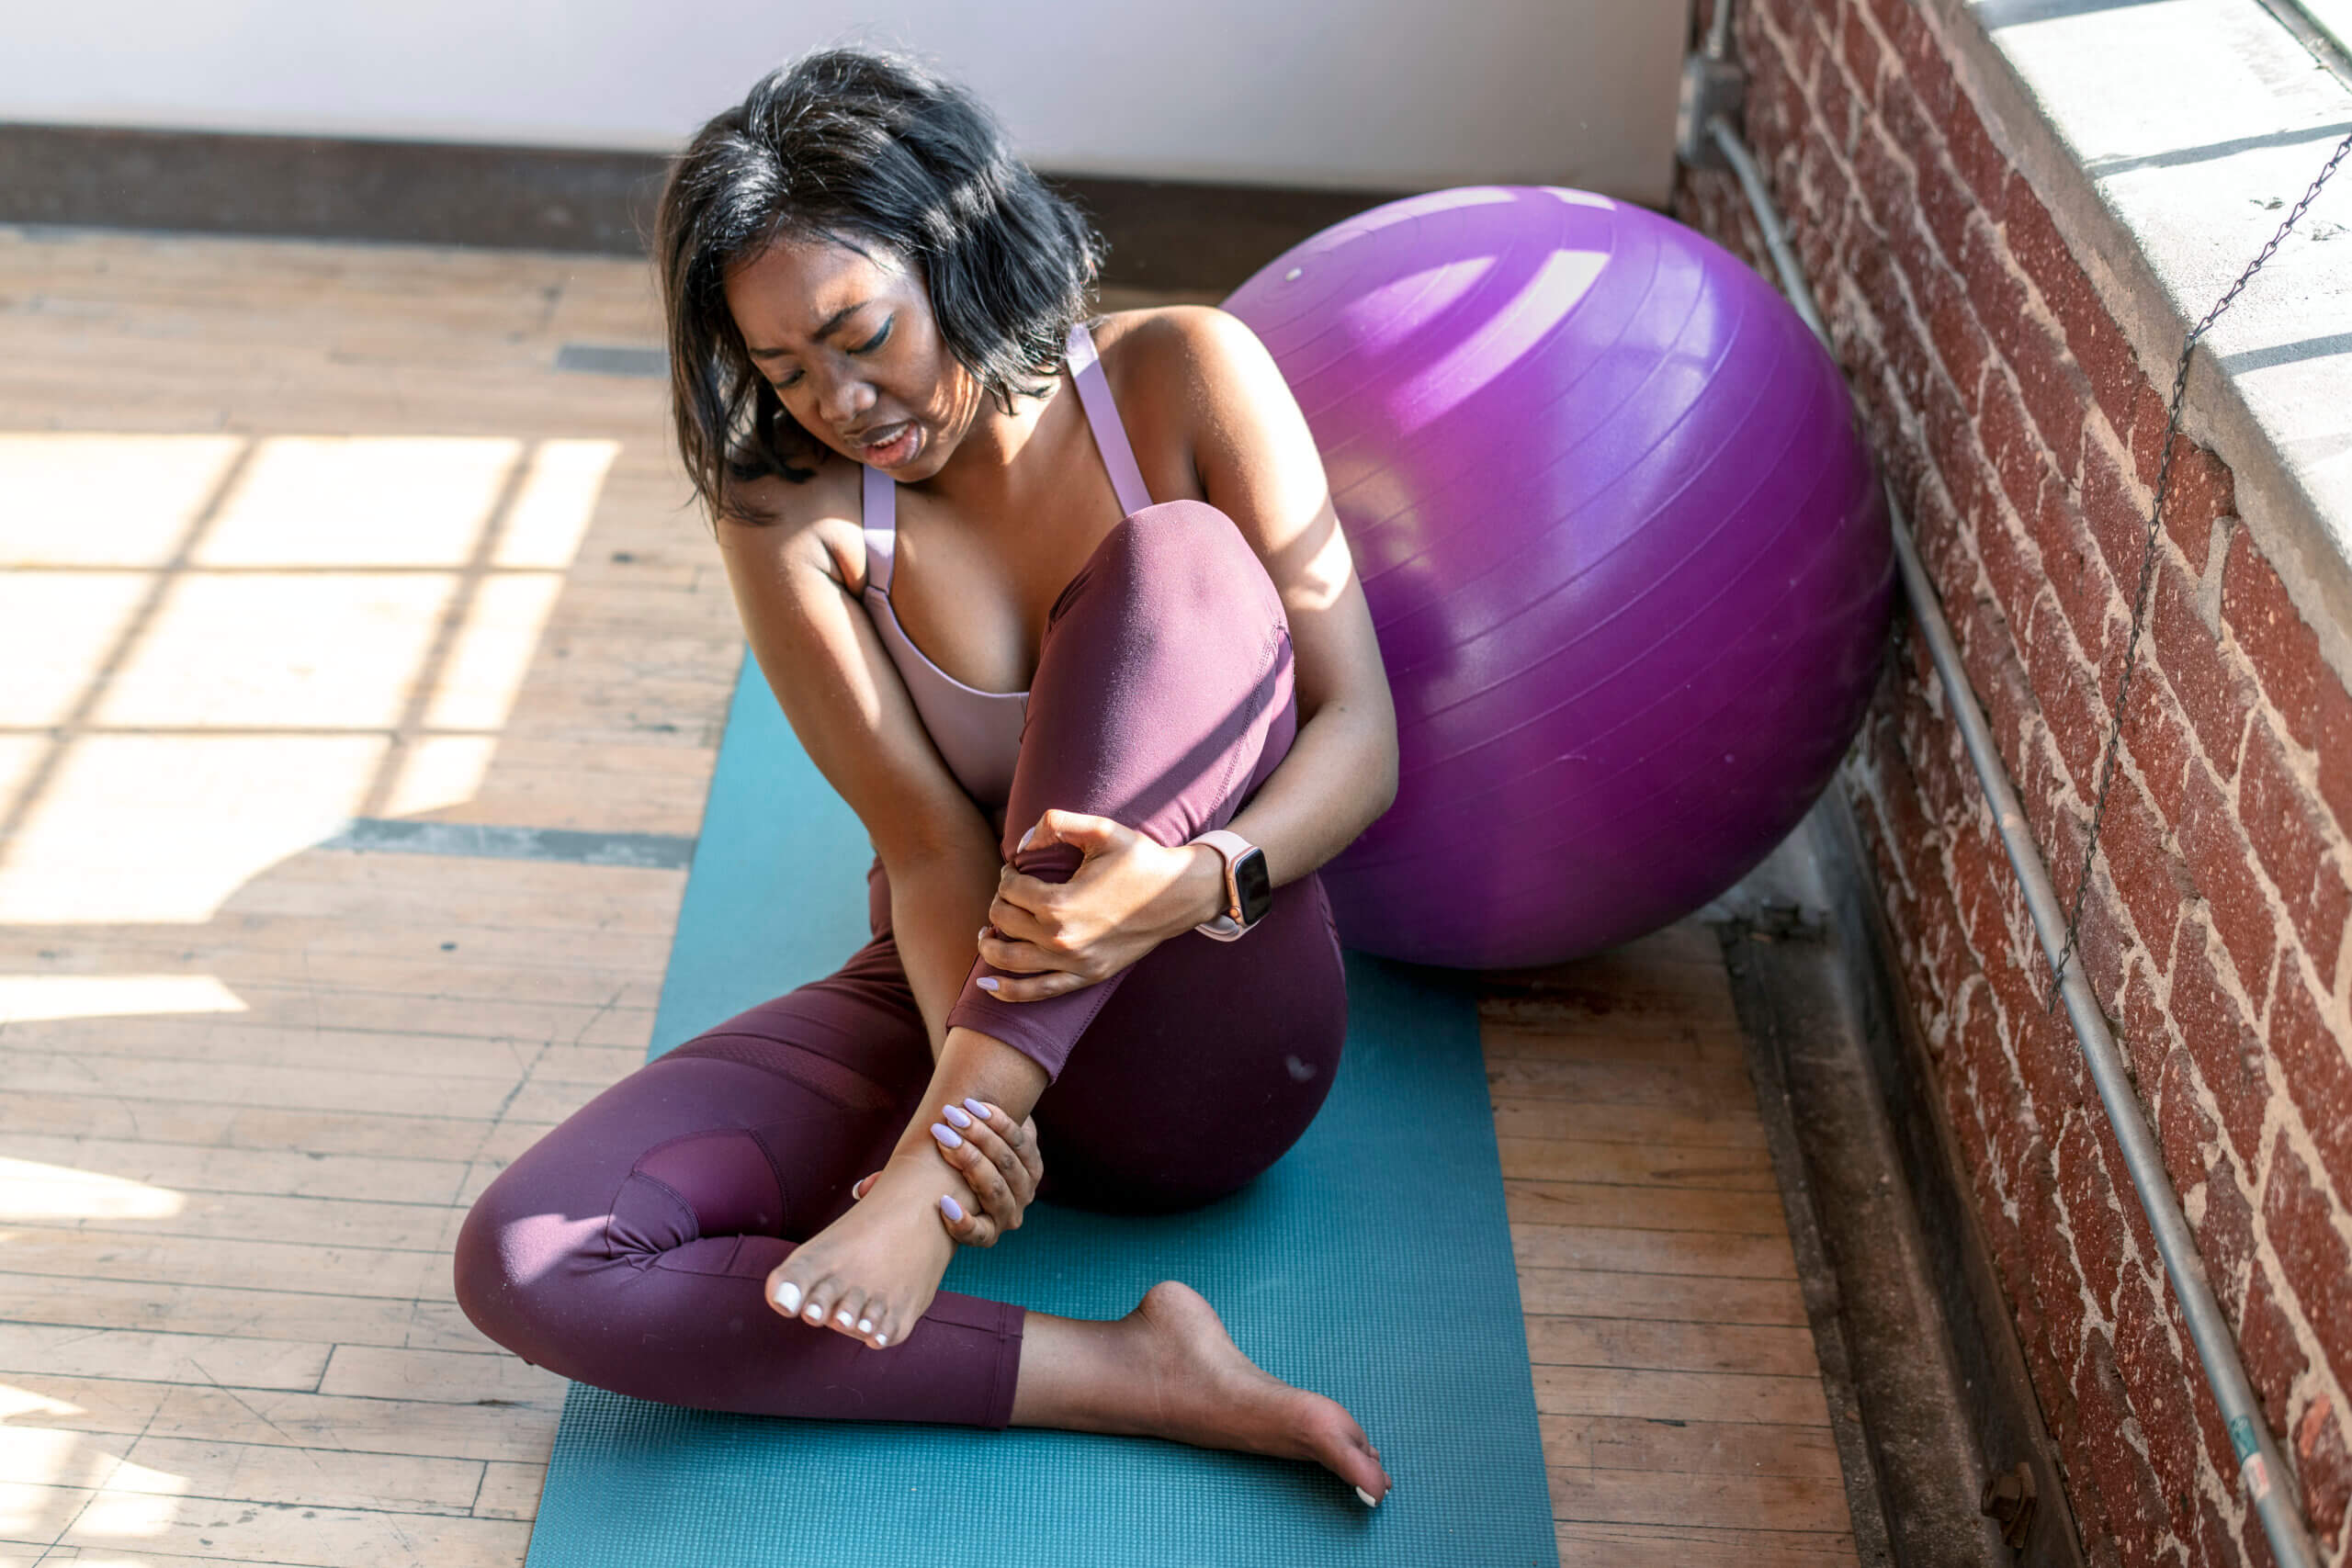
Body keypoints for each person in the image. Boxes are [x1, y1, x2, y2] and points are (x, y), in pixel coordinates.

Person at [452, 44, 1399, 1506]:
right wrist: (967, 1127)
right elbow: (933, 847)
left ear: (960, 245)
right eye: (785, 370)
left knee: (1174, 564)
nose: (844, 398)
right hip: (962, 1018)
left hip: (1212, 1024)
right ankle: (1128, 1374)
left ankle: (927, 1196)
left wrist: (1190, 888)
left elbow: (1363, 740)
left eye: (862, 330)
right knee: (533, 1257)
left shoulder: (1184, 372)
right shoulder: (793, 517)